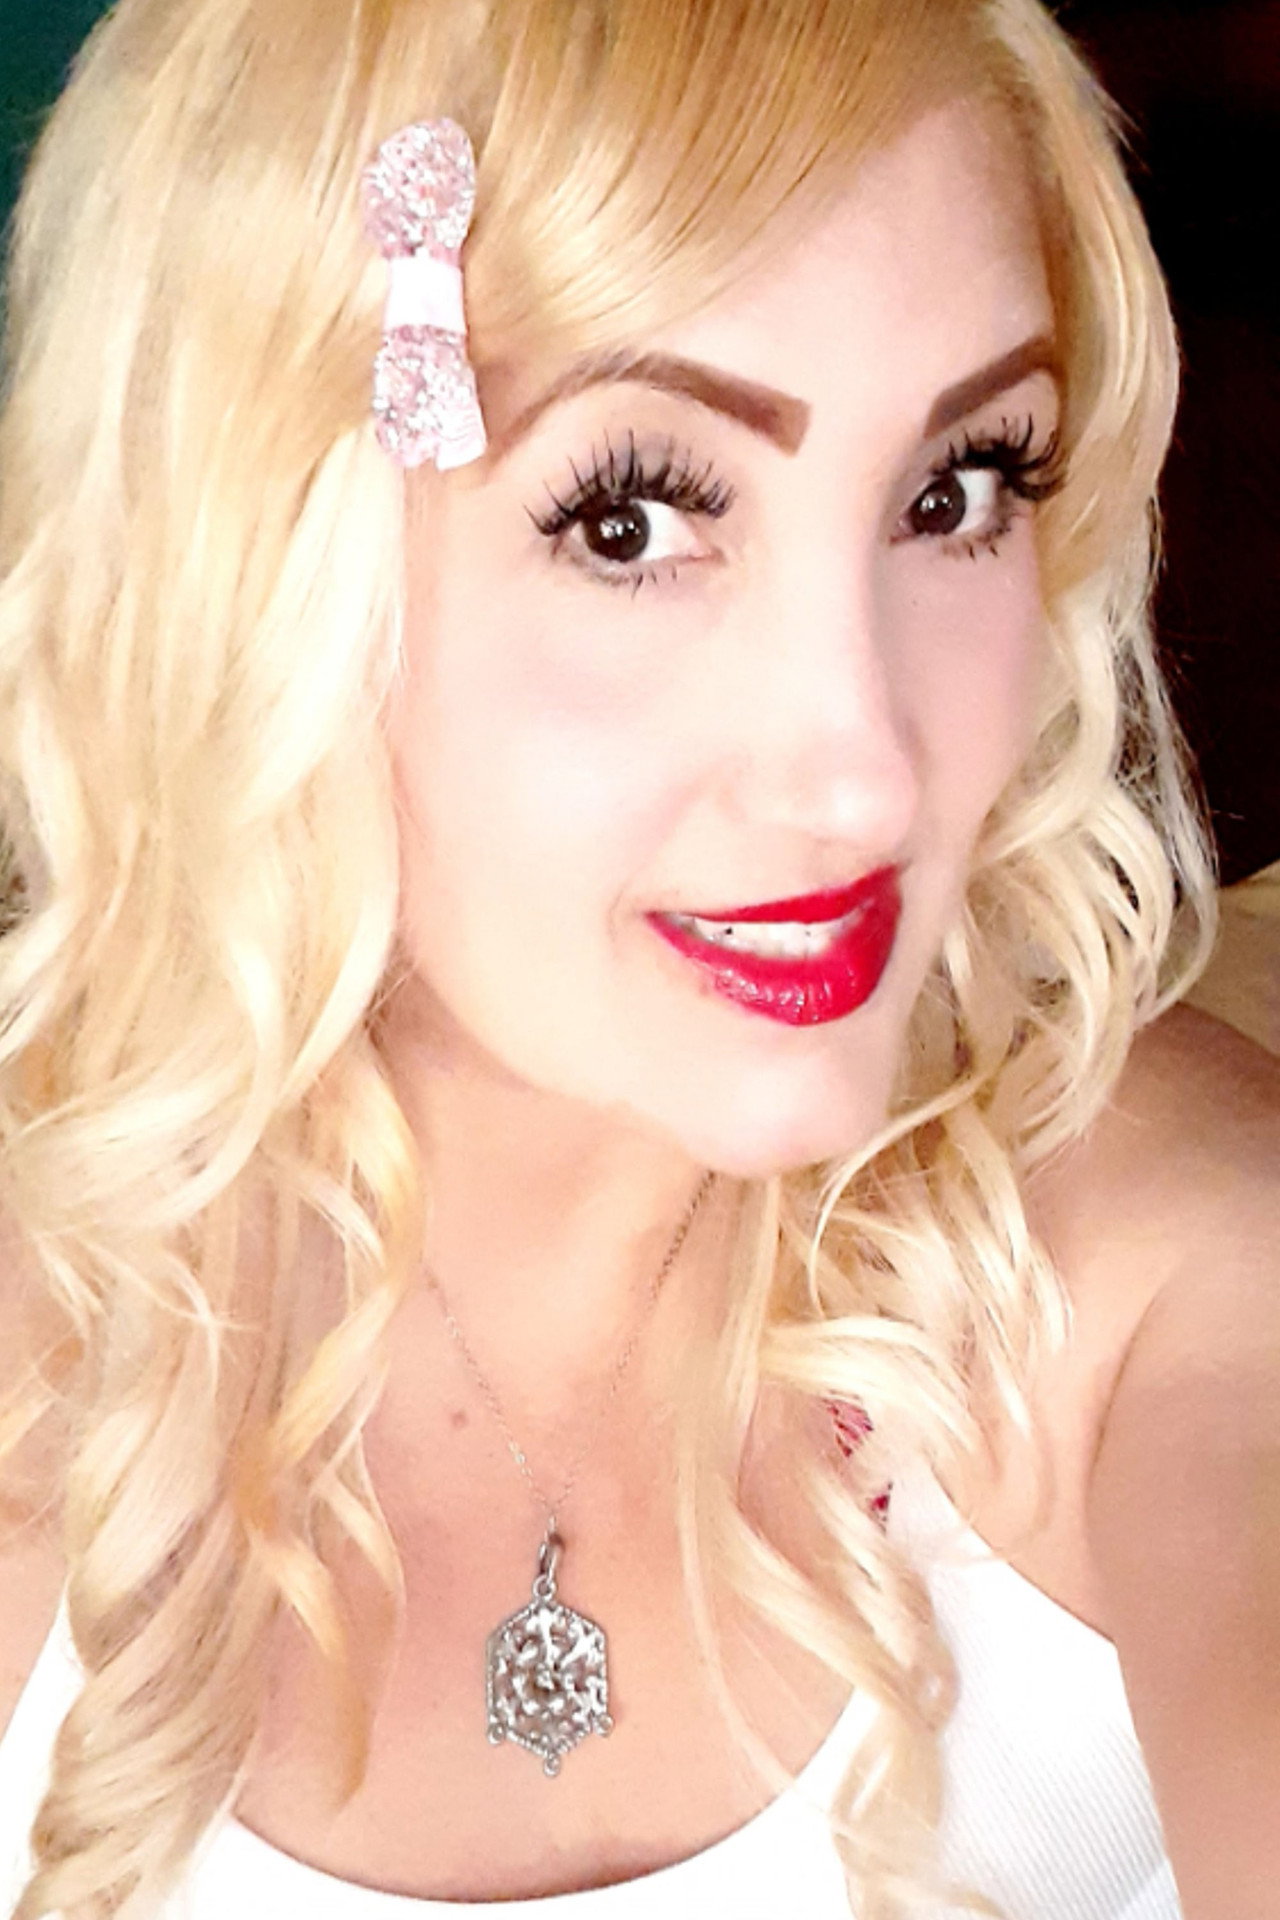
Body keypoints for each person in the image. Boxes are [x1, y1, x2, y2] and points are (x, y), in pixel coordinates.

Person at [0, 0, 1276, 1915]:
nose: (863, 774)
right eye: (630, 519)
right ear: (253, 556)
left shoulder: (1169, 1287)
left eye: (956, 491)